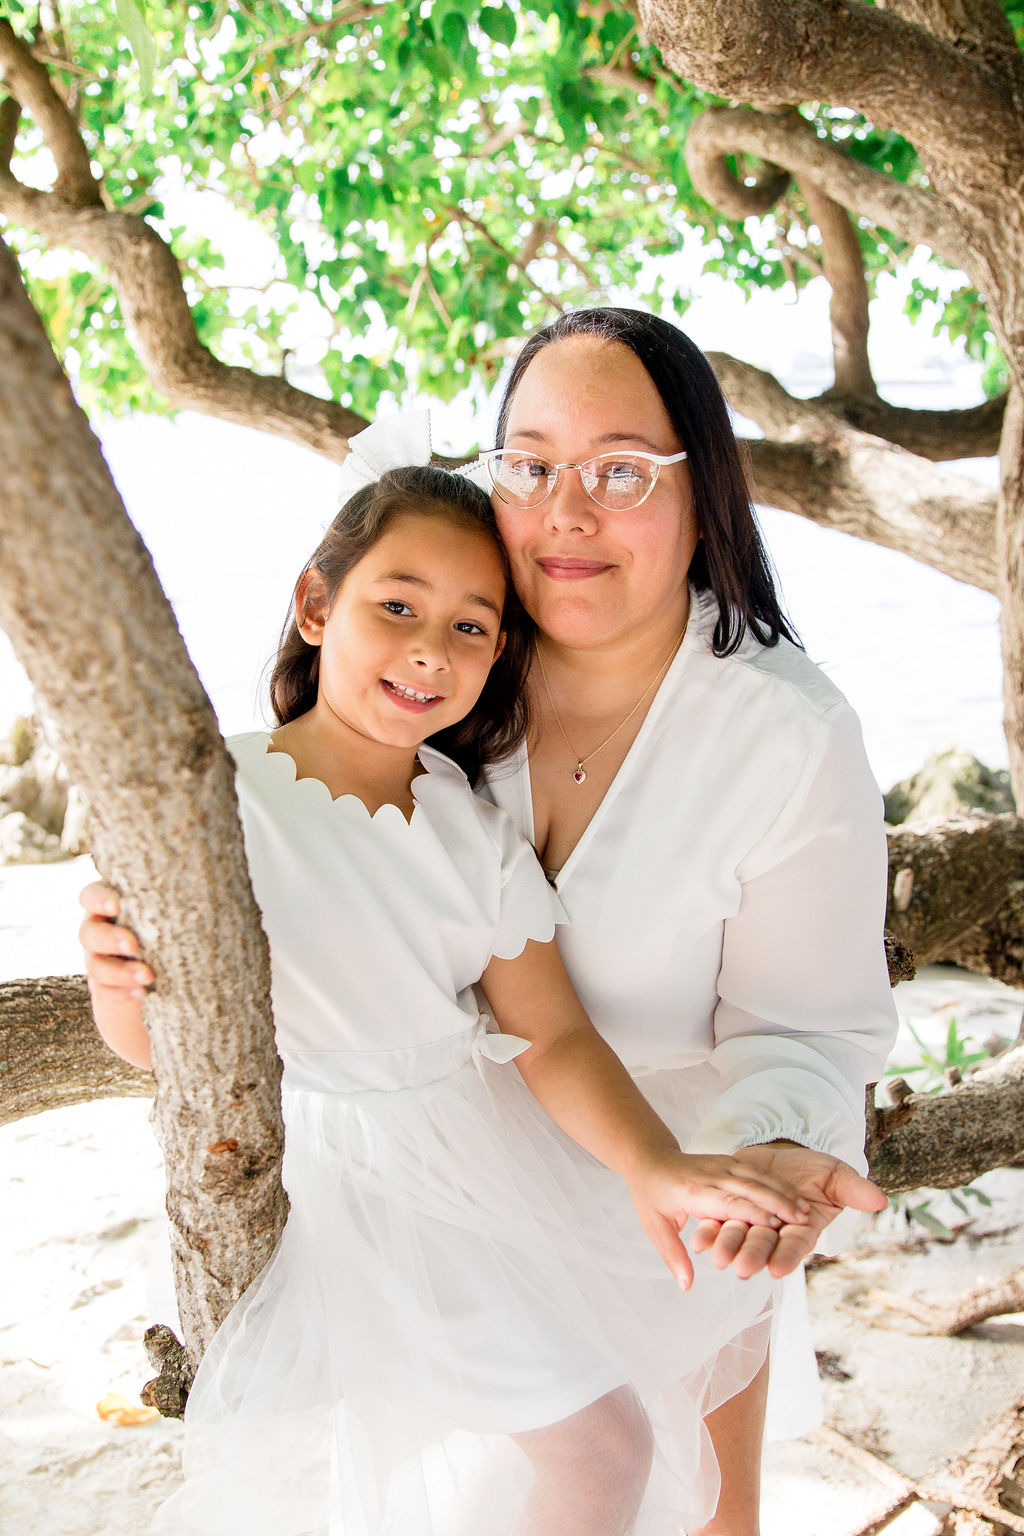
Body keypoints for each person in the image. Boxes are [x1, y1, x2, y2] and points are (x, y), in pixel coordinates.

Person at [82, 307, 898, 1534]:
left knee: (697, 1507)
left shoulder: (779, 733)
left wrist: (747, 1151)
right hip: (427, 1183)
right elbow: (217, 987)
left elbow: (796, 1023)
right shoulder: (437, 699)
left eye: (621, 471)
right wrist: (125, 966)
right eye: (529, 465)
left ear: (704, 492)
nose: (566, 512)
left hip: (667, 1187)